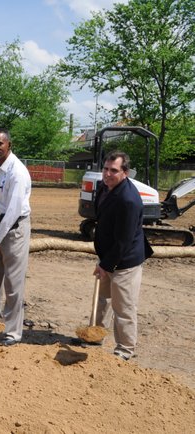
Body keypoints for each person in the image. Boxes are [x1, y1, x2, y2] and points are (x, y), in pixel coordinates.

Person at [91, 151, 153, 360]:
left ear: (125, 173)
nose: (108, 174)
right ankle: (94, 336)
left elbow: (123, 241)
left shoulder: (128, 200)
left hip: (125, 261)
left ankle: (125, 349)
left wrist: (105, 266)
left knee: (123, 306)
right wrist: (104, 261)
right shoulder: (104, 188)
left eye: (114, 170)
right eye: (106, 169)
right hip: (108, 254)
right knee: (103, 299)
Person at [0, 128, 31, 347]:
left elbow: (13, 211)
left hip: (14, 228)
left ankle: (13, 332)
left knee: (13, 282)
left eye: (0, 144)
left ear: (9, 145)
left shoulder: (17, 172)